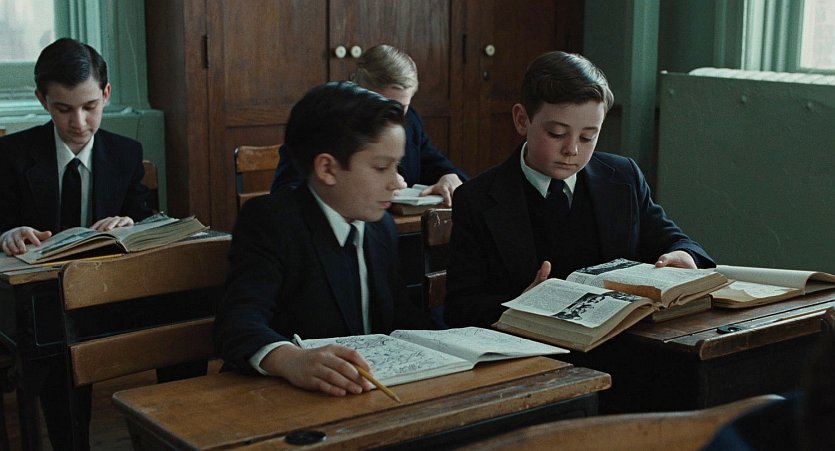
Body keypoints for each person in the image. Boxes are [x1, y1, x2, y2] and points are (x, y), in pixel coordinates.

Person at [444, 51, 715, 328]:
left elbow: (678, 242)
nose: (572, 149)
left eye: (588, 137)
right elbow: (459, 308)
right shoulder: (476, 199)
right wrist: (520, 303)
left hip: (622, 340)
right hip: (529, 343)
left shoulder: (623, 178)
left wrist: (684, 256)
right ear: (522, 119)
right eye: (557, 134)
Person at [215, 81, 434, 396]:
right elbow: (237, 322)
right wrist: (291, 359)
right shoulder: (273, 222)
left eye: (397, 165)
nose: (398, 182)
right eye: (381, 167)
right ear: (327, 168)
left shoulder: (381, 227)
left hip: (368, 394)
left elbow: (400, 316)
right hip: (284, 399)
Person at [0, 38, 154, 449]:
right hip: (39, 299)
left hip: (106, 291)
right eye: (63, 109)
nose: (79, 123)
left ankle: (170, 433)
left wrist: (129, 224)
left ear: (106, 94)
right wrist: (6, 234)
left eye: (90, 106)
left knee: (185, 316)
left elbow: (146, 219)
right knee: (59, 335)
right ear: (42, 100)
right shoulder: (12, 155)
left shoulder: (125, 154)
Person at [270, 44, 467, 206]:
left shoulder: (410, 122)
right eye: (381, 104)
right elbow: (286, 195)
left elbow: (438, 165)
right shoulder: (321, 122)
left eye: (402, 107)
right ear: (356, 88)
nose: (392, 118)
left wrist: (449, 177)